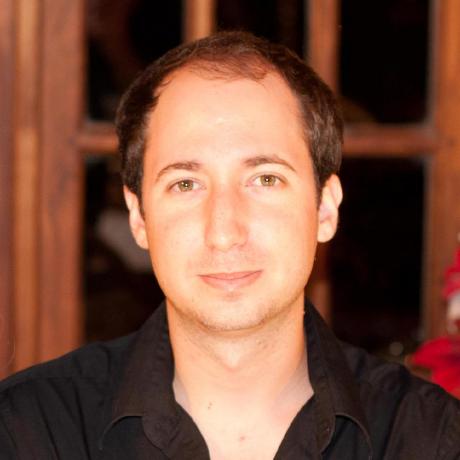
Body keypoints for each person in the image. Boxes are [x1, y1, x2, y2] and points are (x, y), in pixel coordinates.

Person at [1, 31, 459, 460]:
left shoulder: (431, 438)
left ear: (325, 208)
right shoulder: (26, 432)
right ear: (139, 217)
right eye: (185, 184)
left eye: (265, 179)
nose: (224, 232)